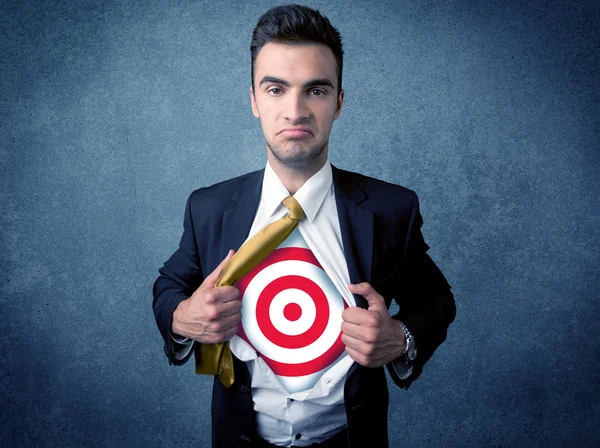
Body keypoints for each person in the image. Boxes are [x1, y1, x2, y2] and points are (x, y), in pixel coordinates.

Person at [152, 4, 455, 448]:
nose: (295, 110)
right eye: (276, 89)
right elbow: (168, 286)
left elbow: (436, 298)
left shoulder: (392, 209)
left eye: (315, 90)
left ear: (338, 103)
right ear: (254, 100)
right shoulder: (209, 207)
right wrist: (183, 318)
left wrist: (401, 337)